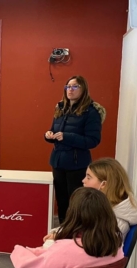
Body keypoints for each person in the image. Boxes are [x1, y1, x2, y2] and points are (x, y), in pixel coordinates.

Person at [44, 75, 105, 223]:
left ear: (83, 89)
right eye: (68, 86)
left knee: (77, 202)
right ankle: (64, 229)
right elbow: (53, 130)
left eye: (74, 86)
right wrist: (48, 135)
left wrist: (67, 136)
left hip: (77, 164)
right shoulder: (60, 108)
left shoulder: (91, 111)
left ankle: (75, 233)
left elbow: (93, 141)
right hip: (58, 162)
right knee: (62, 200)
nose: (70, 90)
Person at [82, 158, 137, 239]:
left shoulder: (117, 223)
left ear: (103, 184)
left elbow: (97, 248)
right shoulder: (100, 206)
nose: (83, 180)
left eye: (88, 178)